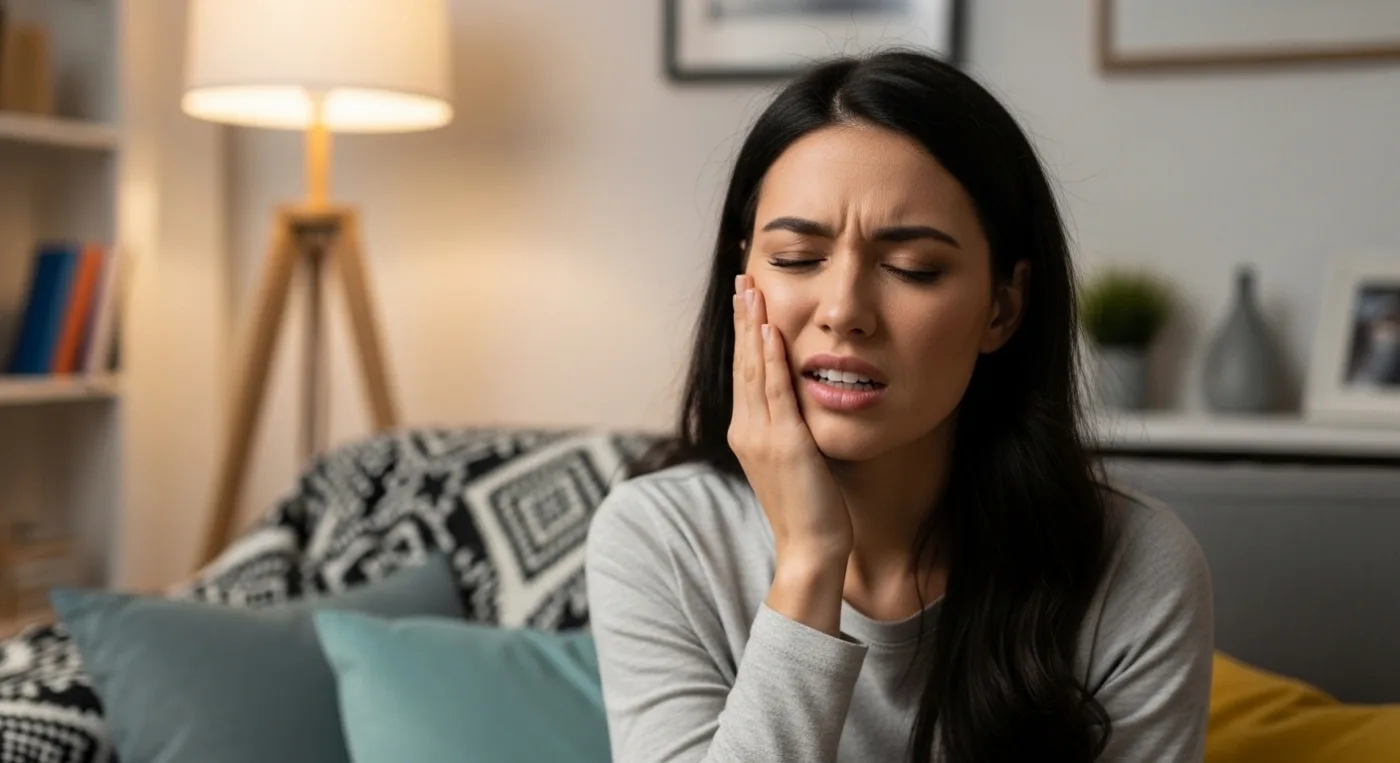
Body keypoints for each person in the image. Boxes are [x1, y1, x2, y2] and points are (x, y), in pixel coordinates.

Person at [584, 48, 1214, 763]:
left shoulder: (1137, 567)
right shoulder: (661, 538)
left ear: (1002, 307)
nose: (845, 310)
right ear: (742, 277)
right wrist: (810, 562)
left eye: (913, 268)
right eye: (795, 257)